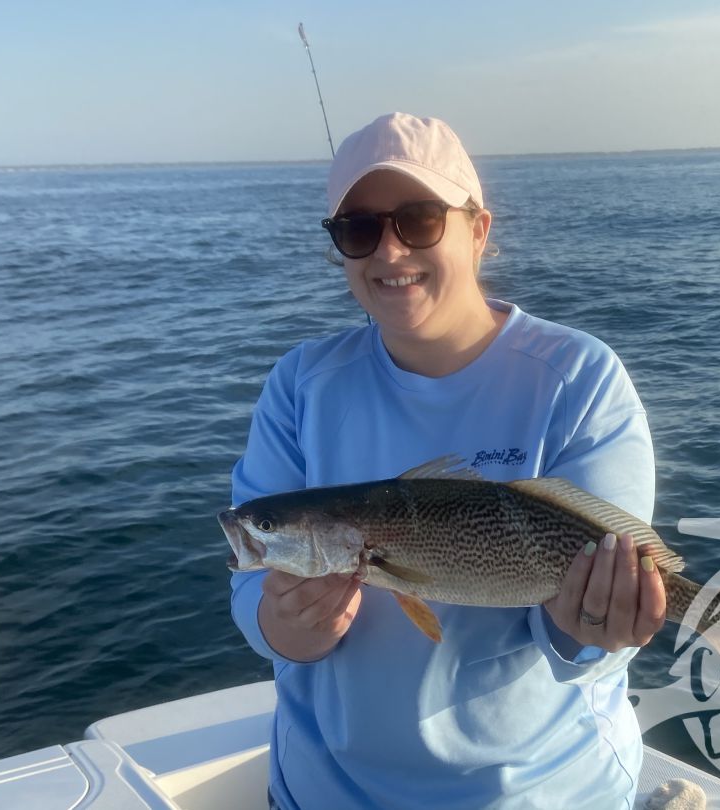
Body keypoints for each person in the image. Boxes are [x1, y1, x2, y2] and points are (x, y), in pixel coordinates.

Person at [229, 112, 666, 810]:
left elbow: (594, 634)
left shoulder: (576, 378)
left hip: (536, 793)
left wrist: (591, 629)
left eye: (420, 219)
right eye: (359, 229)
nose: (390, 251)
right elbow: (253, 595)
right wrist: (286, 623)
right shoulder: (300, 385)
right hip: (324, 790)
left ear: (479, 231)